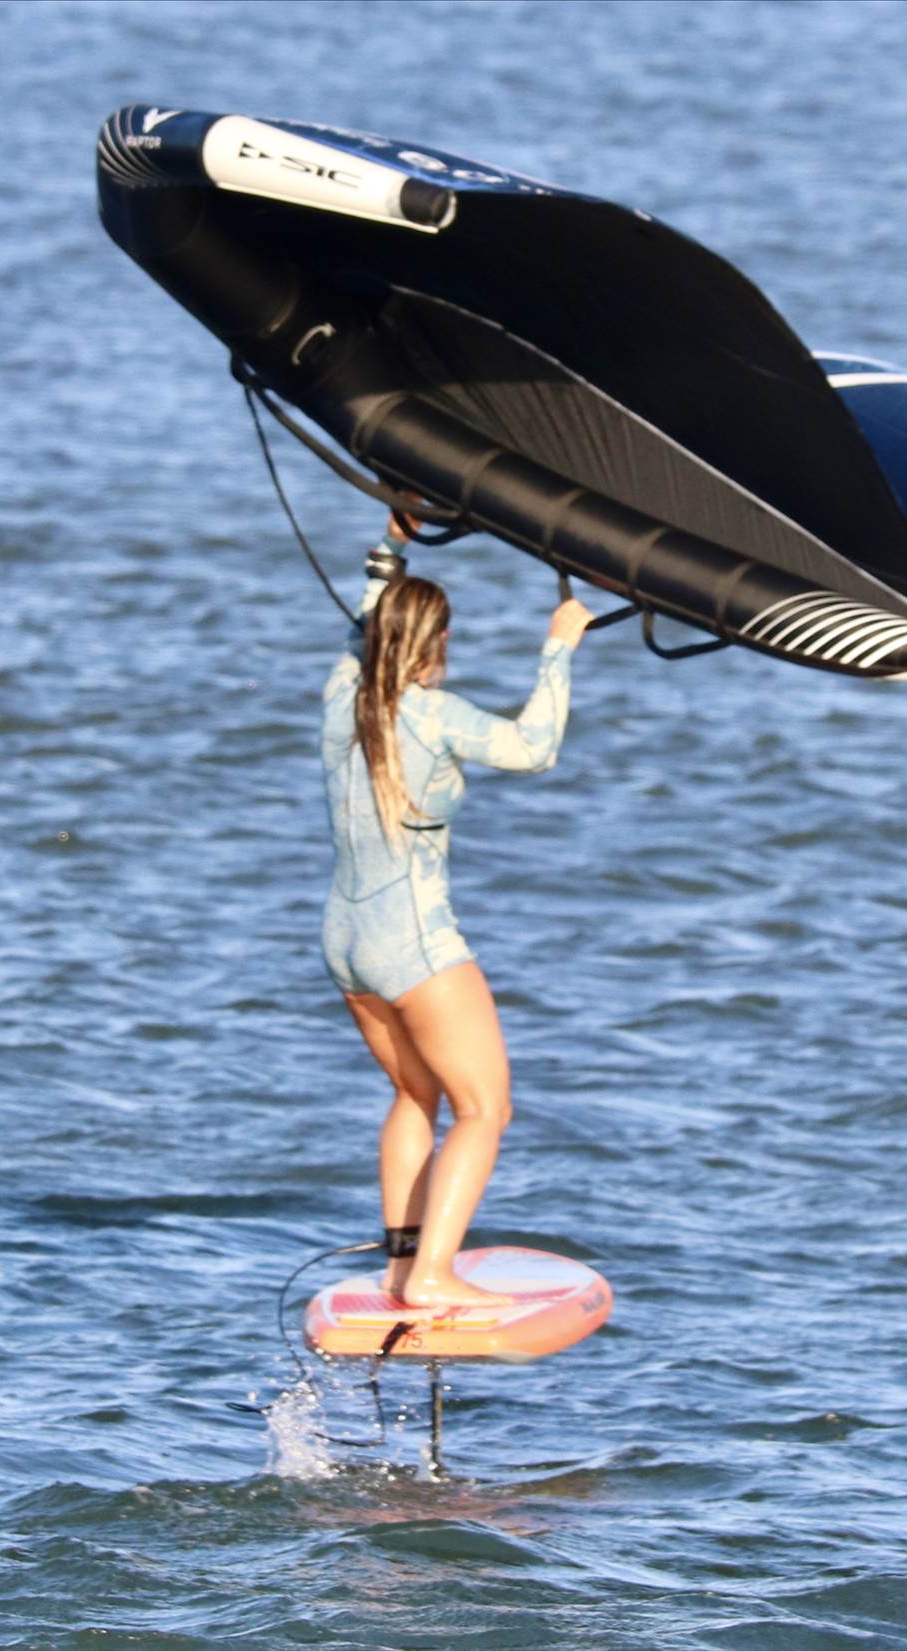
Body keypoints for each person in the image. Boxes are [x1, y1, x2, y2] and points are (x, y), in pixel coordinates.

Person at [322, 510, 592, 1310]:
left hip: (344, 941)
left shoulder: (339, 694)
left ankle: (401, 1266)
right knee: (484, 1108)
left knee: (416, 1095)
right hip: (414, 942)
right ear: (436, 644)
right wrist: (560, 646)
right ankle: (432, 1275)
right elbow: (533, 747)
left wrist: (392, 540)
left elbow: (364, 617)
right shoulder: (434, 715)